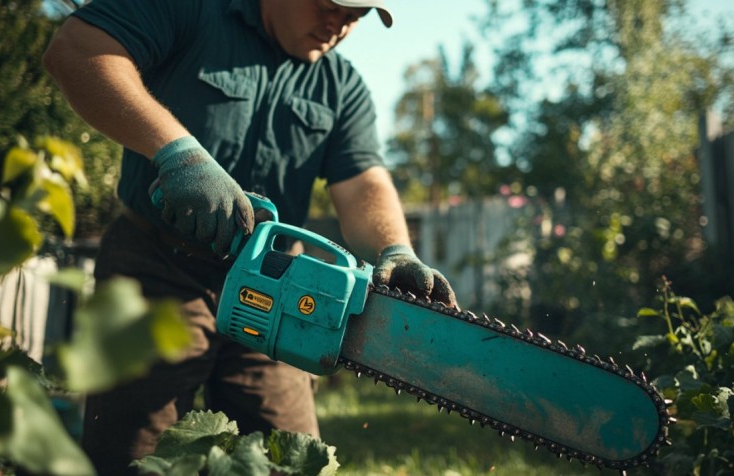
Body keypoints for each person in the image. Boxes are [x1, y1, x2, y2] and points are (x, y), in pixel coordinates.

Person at [43, 0, 458, 473]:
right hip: (156, 267)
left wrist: (395, 249)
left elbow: (363, 181)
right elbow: (76, 50)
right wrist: (177, 152)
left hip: (278, 287)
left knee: (292, 459)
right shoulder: (192, 11)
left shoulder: (341, 86)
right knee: (131, 457)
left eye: (354, 18)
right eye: (329, 7)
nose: (337, 27)